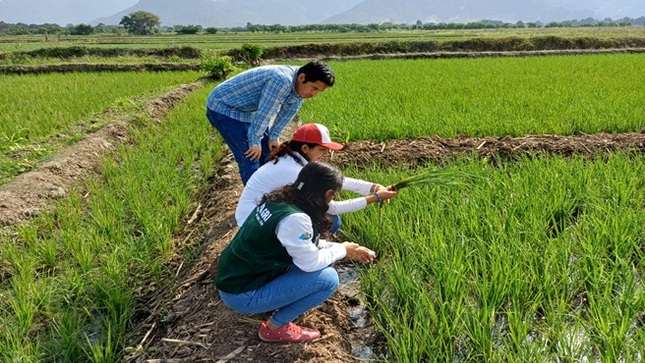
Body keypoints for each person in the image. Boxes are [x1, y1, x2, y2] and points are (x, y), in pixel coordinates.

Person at [215, 162, 395, 343]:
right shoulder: (295, 219)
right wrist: (342, 249)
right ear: (327, 194)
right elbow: (309, 263)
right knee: (327, 279)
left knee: (323, 262)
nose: (333, 200)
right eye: (333, 195)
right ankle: (274, 328)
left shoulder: (281, 199)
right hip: (242, 294)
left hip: (236, 277)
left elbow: (306, 246)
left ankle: (278, 300)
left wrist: (349, 249)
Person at [235, 123, 398, 234]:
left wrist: (374, 186)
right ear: (305, 148)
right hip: (253, 224)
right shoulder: (294, 170)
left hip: (256, 215)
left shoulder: (292, 159)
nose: (325, 155)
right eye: (322, 150)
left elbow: (340, 181)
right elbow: (332, 208)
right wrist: (375, 198)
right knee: (329, 220)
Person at [206, 60, 336, 185]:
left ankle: (269, 191)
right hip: (224, 107)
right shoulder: (282, 81)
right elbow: (265, 113)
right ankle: (255, 201)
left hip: (246, 111)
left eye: (319, 91)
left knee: (268, 154)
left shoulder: (299, 89)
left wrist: (273, 137)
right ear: (302, 77)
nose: (314, 94)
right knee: (250, 156)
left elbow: (287, 113)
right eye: (314, 88)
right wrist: (254, 141)